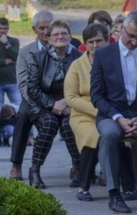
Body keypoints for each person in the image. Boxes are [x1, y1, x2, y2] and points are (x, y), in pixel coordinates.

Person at [90, 10, 137, 214]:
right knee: (110, 134)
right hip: (111, 114)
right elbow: (96, 95)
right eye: (131, 36)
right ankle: (114, 194)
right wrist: (119, 118)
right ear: (121, 29)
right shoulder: (104, 55)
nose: (134, 42)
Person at [24, 20, 81, 189]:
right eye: (55, 34)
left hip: (71, 103)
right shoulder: (38, 58)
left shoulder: (79, 57)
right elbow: (32, 89)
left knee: (69, 125)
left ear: (70, 37)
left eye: (64, 33)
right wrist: (52, 104)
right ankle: (34, 170)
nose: (60, 37)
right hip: (43, 104)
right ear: (48, 39)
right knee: (49, 124)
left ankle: (79, 168)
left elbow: (85, 86)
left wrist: (67, 103)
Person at [65, 23, 109, 202]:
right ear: (85, 44)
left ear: (107, 41)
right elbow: (71, 97)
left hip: (110, 112)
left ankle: (127, 184)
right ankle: (83, 186)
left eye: (99, 40)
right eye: (90, 41)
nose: (95, 45)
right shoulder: (77, 65)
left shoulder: (112, 61)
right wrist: (97, 110)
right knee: (92, 136)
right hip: (83, 115)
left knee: (121, 137)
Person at [10, 10, 54, 181]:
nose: (45, 32)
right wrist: (42, 103)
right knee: (22, 116)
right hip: (32, 98)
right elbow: (23, 84)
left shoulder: (63, 48)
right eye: (41, 28)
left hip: (58, 99)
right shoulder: (25, 52)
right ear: (34, 29)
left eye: (48, 28)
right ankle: (16, 164)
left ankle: (77, 166)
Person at [0, 17, 21, 147]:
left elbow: (17, 57)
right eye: (0, 28)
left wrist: (6, 44)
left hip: (12, 80)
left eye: (5, 28)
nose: (3, 31)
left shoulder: (13, 41)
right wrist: (6, 61)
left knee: (20, 109)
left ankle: (24, 136)